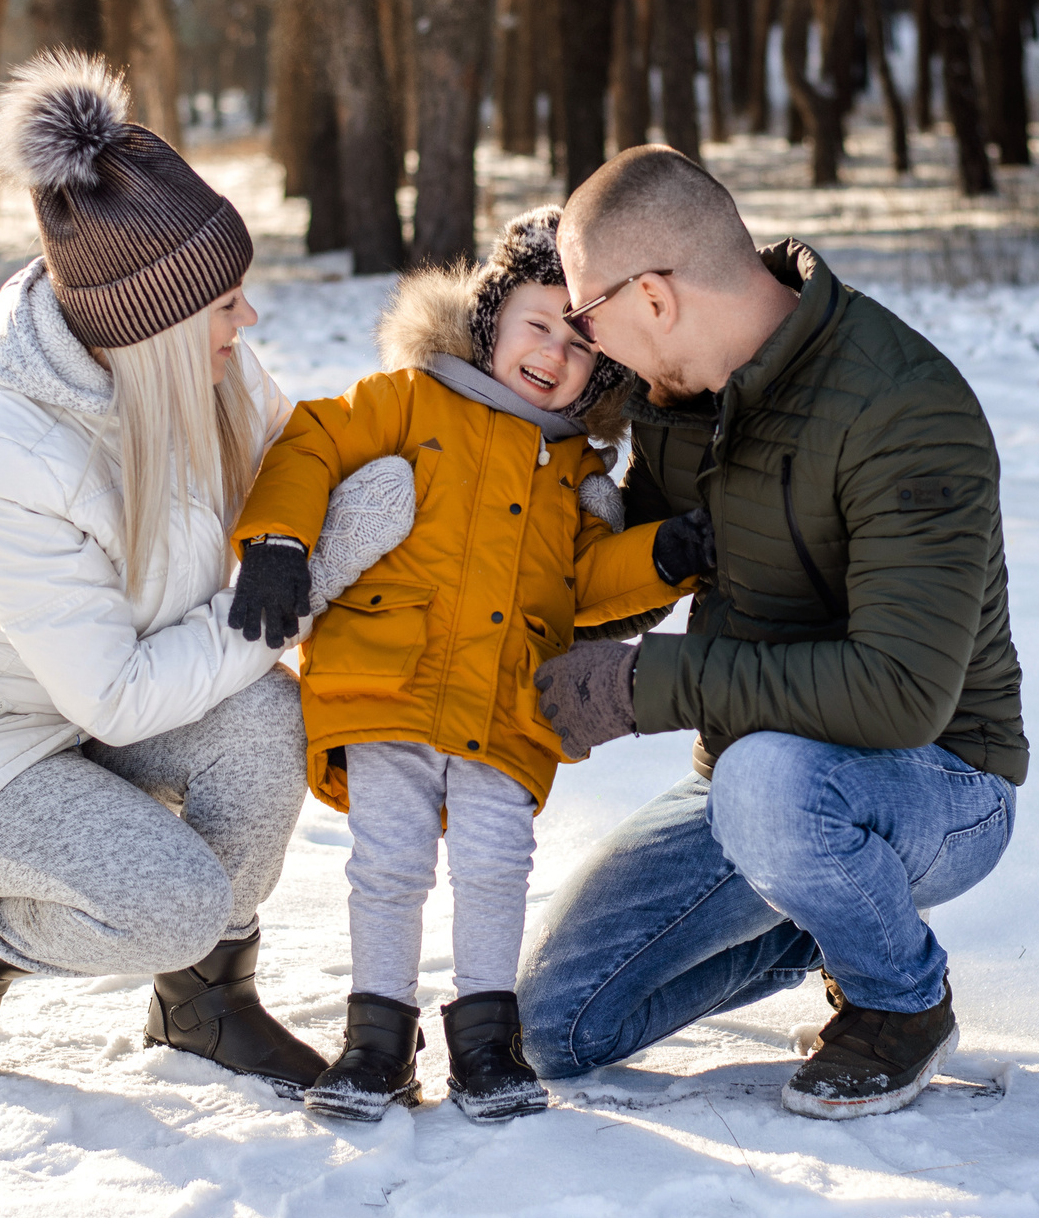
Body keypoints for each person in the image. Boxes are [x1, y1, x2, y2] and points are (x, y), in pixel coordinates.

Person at [0, 52, 411, 1092]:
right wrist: (285, 599)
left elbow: (310, 460)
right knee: (166, 898)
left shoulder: (216, 372)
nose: (249, 325)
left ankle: (207, 1000)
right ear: (155, 323)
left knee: (269, 730)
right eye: (228, 303)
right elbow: (111, 686)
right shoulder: (7, 455)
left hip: (98, 716)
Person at [523, 145, 1028, 1120]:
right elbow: (628, 584)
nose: (591, 345)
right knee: (557, 1025)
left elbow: (897, 694)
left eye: (590, 317)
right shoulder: (679, 399)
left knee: (769, 783)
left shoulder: (904, 408)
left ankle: (898, 999)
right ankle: (825, 912)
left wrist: (642, 687)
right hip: (754, 782)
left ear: (656, 298)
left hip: (937, 778)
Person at [223, 209, 703, 1123]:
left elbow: (579, 586)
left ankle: (486, 1037)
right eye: (537, 324)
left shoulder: (574, 470)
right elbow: (312, 440)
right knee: (389, 862)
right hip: (387, 679)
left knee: (495, 861)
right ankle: (378, 1038)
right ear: (491, 318)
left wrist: (661, 554)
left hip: (506, 697)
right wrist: (279, 538)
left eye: (579, 345)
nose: (555, 355)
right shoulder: (409, 398)